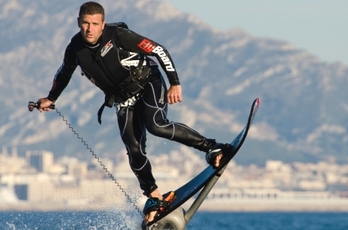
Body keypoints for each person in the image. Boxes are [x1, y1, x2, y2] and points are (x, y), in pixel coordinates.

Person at [35, 1, 229, 224]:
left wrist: (175, 82)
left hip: (147, 82)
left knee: (156, 124)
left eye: (95, 24)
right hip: (123, 98)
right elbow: (64, 73)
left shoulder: (118, 35)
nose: (90, 29)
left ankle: (212, 147)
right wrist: (51, 98)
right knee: (133, 147)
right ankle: (154, 196)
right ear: (79, 23)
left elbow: (158, 50)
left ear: (102, 24)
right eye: (86, 23)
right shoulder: (75, 48)